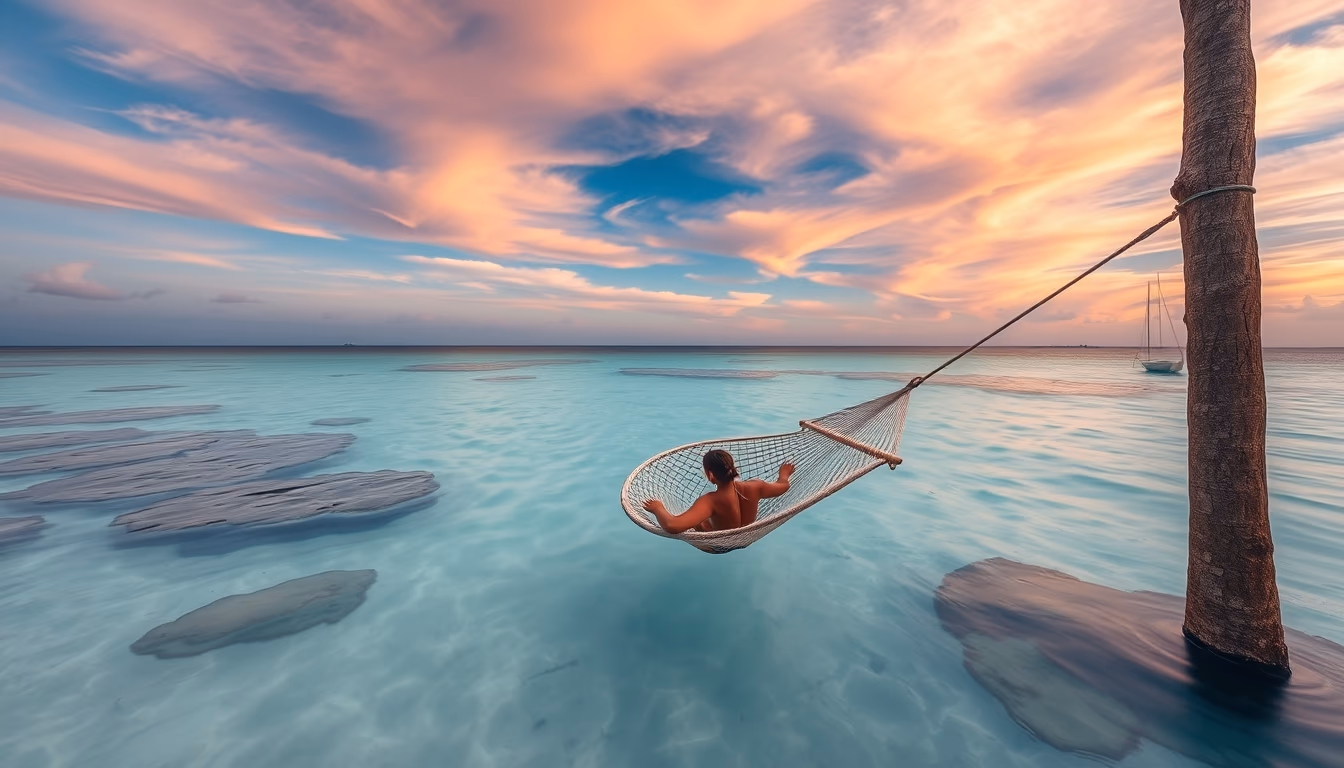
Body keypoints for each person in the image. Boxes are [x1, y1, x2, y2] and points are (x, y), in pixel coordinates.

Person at [642, 449, 795, 534]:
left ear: (710, 475)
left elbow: (672, 526)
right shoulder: (756, 486)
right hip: (745, 535)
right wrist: (784, 474)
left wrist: (657, 508)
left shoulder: (710, 501)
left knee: (698, 521)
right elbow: (783, 486)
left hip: (718, 544)